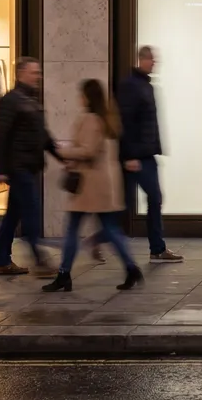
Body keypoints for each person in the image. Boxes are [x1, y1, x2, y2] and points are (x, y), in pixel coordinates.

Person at [41, 79, 144, 294]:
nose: (79, 98)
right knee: (110, 229)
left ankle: (64, 274)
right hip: (102, 183)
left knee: (73, 228)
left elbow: (88, 150)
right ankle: (131, 268)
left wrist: (63, 151)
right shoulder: (107, 119)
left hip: (89, 184)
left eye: (81, 94)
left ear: (87, 97)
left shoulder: (91, 119)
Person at [106, 46, 182, 264]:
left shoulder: (146, 86)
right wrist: (129, 156)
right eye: (151, 60)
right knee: (126, 205)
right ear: (141, 60)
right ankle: (100, 239)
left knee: (153, 198)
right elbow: (125, 122)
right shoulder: (130, 86)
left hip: (146, 154)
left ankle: (157, 249)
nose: (154, 63)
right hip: (135, 157)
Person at [0, 57, 62, 278]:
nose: (38, 76)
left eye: (38, 72)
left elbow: (43, 135)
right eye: (34, 72)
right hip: (18, 167)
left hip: (29, 166)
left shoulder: (31, 100)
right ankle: (40, 262)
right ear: (21, 73)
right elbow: (0, 136)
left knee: (13, 215)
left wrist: (61, 156)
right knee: (31, 212)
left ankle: (1, 261)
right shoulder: (10, 100)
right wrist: (0, 168)